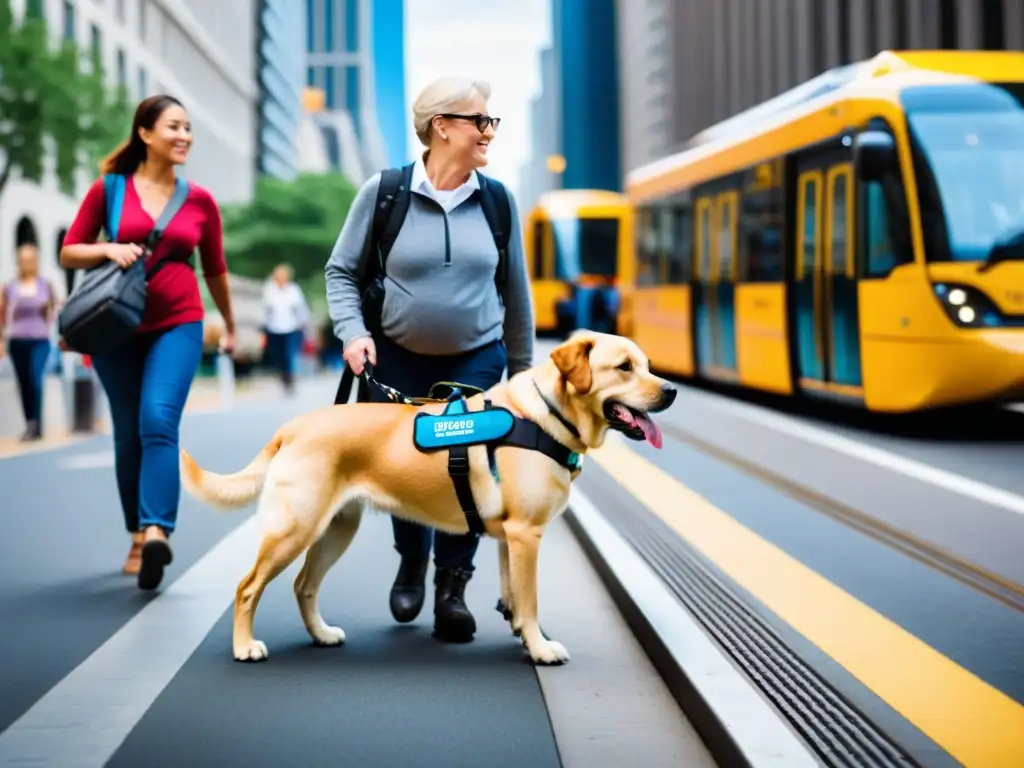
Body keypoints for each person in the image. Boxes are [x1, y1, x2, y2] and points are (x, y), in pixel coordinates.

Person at [325, 77, 535, 643]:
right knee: (407, 471)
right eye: (479, 121)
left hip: (474, 361)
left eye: (492, 122)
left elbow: (516, 292)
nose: (489, 131)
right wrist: (353, 334)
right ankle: (411, 557)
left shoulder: (496, 201)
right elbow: (341, 272)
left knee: (464, 465)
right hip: (395, 361)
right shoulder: (384, 192)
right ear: (441, 125)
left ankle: (453, 585)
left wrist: (522, 375)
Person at [60, 94, 236, 590]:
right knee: (127, 432)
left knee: (158, 419)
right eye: (174, 127)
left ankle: (158, 528)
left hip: (179, 321)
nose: (185, 136)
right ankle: (136, 533)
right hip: (114, 324)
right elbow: (70, 251)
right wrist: (107, 247)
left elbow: (216, 269)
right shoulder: (109, 189)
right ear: (145, 133)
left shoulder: (199, 200)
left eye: (188, 128)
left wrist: (230, 322)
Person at [0, 243, 58, 441]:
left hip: (40, 339)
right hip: (17, 340)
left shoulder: (45, 285)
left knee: (35, 378)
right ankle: (30, 424)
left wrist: (48, 311)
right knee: (24, 383)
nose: (27, 263)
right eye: (23, 259)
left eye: (30, 259)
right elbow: (2, 313)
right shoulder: (10, 287)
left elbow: (54, 310)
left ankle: (37, 424)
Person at [261, 263, 310, 393]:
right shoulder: (269, 289)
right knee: (278, 355)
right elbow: (265, 310)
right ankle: (283, 376)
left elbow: (301, 309)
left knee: (290, 354)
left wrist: (304, 323)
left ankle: (291, 377)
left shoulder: (293, 290)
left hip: (292, 328)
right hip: (274, 328)